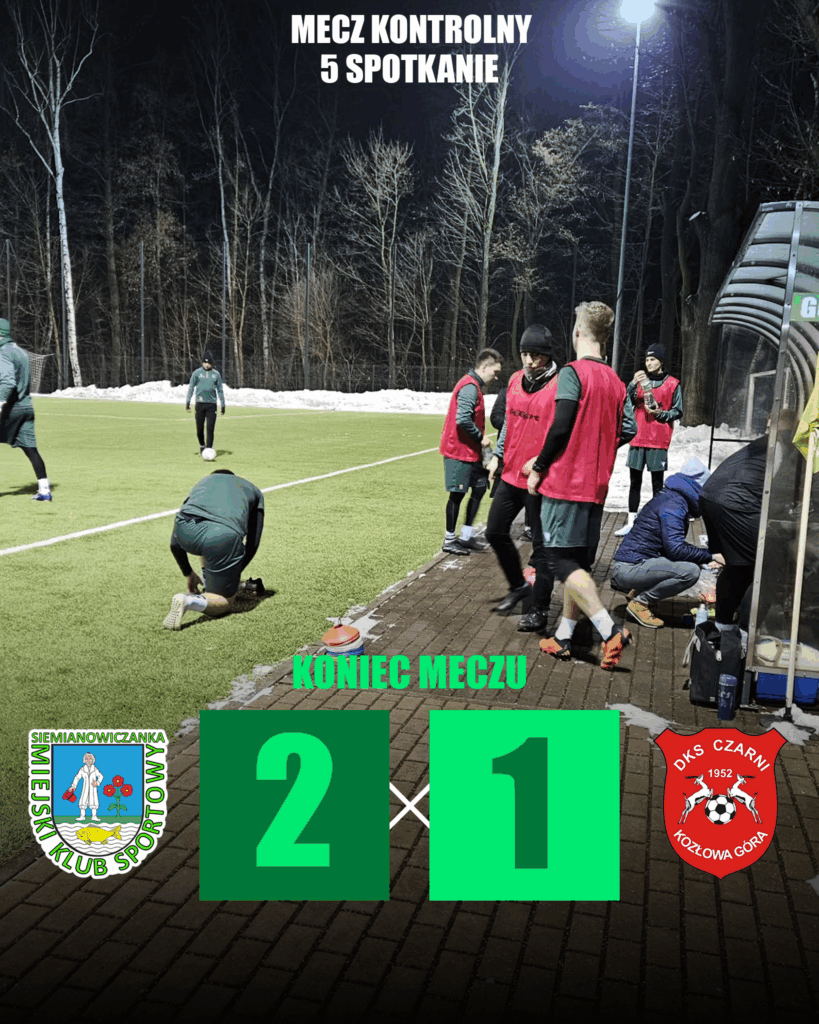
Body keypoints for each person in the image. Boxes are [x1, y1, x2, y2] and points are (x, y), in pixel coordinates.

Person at [527, 301, 635, 670]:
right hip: (596, 486)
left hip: (565, 484)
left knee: (559, 561)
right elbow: (629, 429)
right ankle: (564, 636)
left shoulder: (573, 373)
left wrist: (539, 466)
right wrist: (597, 447)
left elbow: (561, 427)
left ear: (578, 332)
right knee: (578, 565)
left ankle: (609, 630)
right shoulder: (616, 381)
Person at [486, 325, 558, 631]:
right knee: (494, 531)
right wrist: (497, 455)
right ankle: (518, 586)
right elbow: (508, 424)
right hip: (511, 474)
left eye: (535, 355)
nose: (529, 361)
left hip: (539, 480)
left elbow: (560, 434)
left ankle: (539, 608)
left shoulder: (560, 385)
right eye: (524, 354)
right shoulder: (515, 379)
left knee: (542, 547)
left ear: (548, 355)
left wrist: (542, 464)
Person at [610, 457, 724, 628]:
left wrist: (703, 560)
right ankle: (641, 602)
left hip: (632, 564)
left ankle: (637, 592)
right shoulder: (675, 506)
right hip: (629, 567)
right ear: (698, 487)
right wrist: (711, 556)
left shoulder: (672, 498)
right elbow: (675, 549)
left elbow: (669, 549)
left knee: (691, 564)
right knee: (690, 571)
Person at [164, 469, 264, 629]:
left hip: (185, 530)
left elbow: (174, 544)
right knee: (225, 602)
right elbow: (253, 543)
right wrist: (232, 575)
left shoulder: (202, 484)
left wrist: (188, 573)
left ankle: (209, 583)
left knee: (208, 542)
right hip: (221, 535)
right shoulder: (253, 490)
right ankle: (188, 600)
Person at [439, 348, 503, 555]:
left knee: (480, 488)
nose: (496, 377)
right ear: (484, 367)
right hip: (459, 451)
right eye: (495, 372)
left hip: (472, 452)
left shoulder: (474, 386)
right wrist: (481, 437)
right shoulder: (469, 387)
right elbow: (463, 419)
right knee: (457, 495)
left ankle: (466, 536)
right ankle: (449, 539)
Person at [615, 343, 683, 536]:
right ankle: (631, 522)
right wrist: (631, 384)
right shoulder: (640, 382)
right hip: (638, 439)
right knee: (634, 482)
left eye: (653, 359)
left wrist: (661, 414)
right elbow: (625, 401)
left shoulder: (673, 384)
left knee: (657, 485)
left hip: (658, 441)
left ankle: (656, 523)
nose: (649, 363)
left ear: (661, 361)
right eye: (646, 359)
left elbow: (678, 411)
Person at [0, 318, 52, 500]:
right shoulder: (20, 352)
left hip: (10, 409)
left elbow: (7, 382)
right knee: (31, 449)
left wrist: (0, 402)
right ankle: (44, 490)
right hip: (26, 407)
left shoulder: (3, 352)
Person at [186, 351, 225, 454]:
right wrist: (188, 401)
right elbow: (191, 387)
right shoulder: (197, 373)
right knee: (199, 429)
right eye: (205, 362)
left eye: (209, 363)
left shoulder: (216, 374)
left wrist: (223, 404)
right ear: (202, 363)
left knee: (210, 428)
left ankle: (209, 449)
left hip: (211, 405)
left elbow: (220, 390)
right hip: (200, 404)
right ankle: (202, 445)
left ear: (212, 363)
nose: (207, 365)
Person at [69, 752, 104, 822]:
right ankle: (82, 816)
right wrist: (73, 786)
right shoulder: (82, 769)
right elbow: (77, 777)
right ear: (84, 760)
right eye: (86, 759)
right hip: (85, 788)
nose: (88, 760)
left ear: (93, 759)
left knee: (93, 801)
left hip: (93, 788)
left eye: (90, 758)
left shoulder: (94, 769)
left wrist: (97, 783)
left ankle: (94, 816)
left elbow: (101, 776)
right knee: (83, 801)